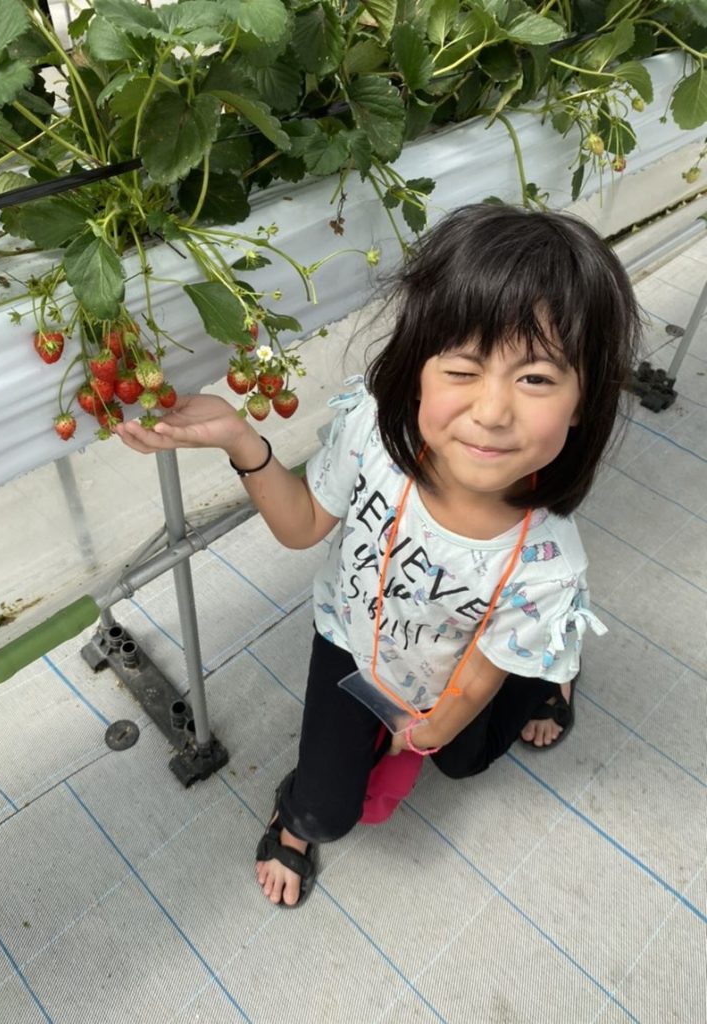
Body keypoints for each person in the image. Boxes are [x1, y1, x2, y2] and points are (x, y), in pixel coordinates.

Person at [114, 203, 640, 909]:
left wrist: (425, 732)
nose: (491, 410)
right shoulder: (370, 432)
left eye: (537, 379)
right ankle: (296, 819)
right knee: (325, 813)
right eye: (462, 367)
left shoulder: (545, 567)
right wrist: (243, 441)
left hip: (456, 671)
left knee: (462, 757)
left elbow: (474, 683)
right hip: (351, 646)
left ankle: (551, 672)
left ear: (584, 402)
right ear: (416, 367)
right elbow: (302, 527)